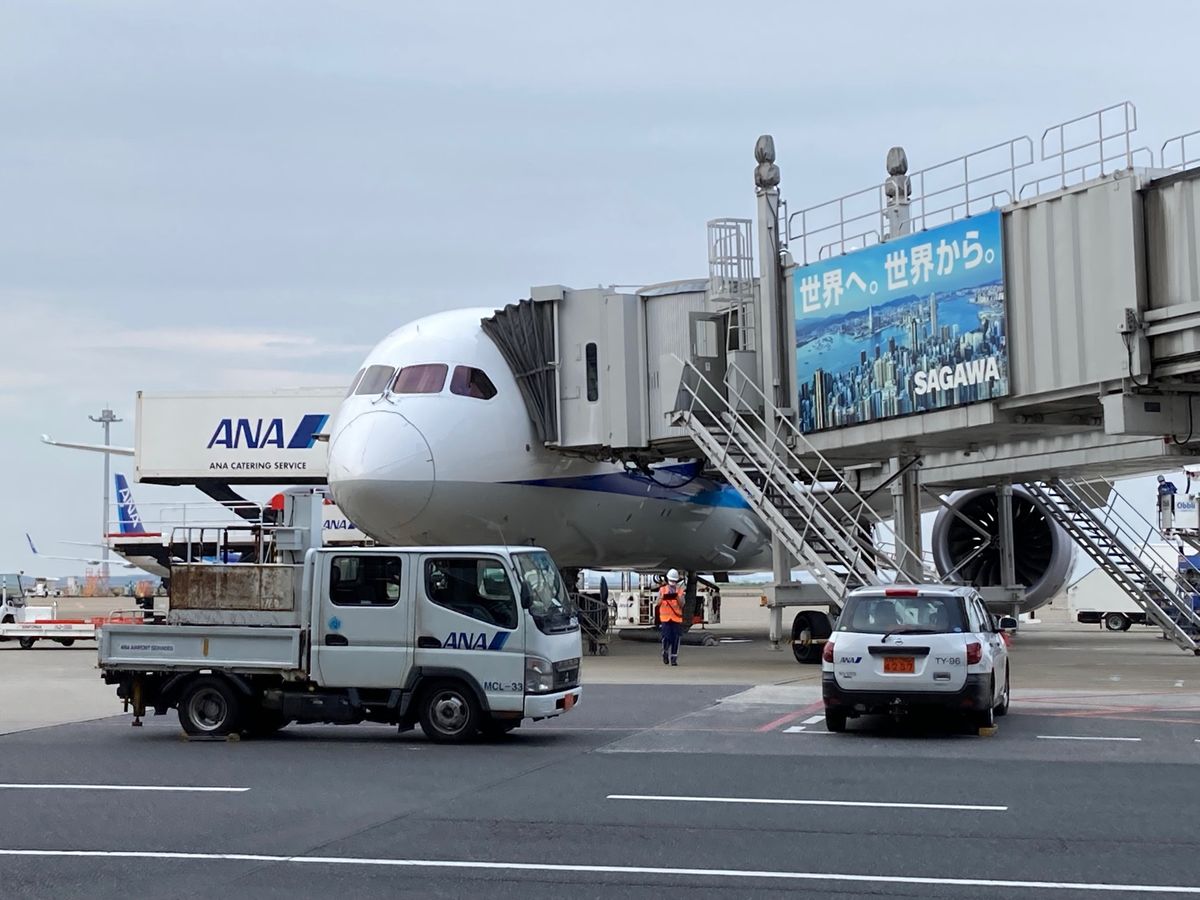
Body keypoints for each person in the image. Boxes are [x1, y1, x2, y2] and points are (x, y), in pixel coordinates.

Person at [657, 569, 685, 666]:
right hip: (665, 619)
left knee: (676, 639)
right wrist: (662, 597)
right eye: (671, 580)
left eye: (674, 581)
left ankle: (674, 658)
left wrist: (677, 597)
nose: (672, 583)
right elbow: (657, 603)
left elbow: (682, 605)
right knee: (666, 637)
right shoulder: (662, 590)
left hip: (676, 619)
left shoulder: (680, 591)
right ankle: (665, 652)